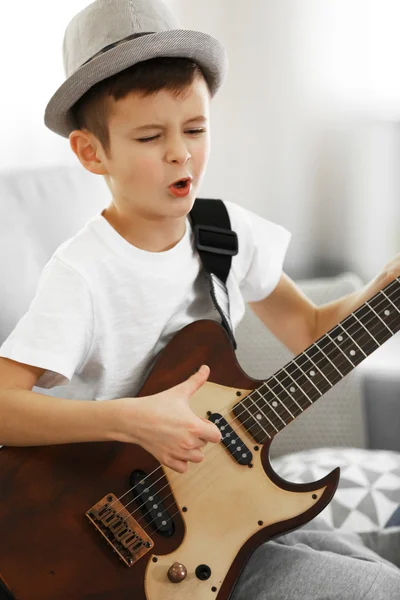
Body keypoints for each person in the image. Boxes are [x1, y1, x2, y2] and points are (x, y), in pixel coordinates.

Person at [0, 0, 399, 598]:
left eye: (194, 128)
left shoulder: (225, 233)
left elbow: (310, 330)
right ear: (91, 152)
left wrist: (380, 295)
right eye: (149, 135)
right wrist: (131, 420)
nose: (180, 153)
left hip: (233, 509)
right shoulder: (83, 272)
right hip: (133, 549)